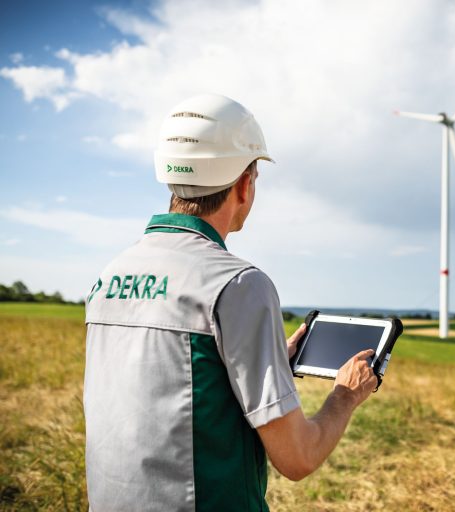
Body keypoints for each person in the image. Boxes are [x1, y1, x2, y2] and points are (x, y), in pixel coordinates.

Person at [83, 94, 379, 511]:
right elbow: (297, 458)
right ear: (244, 183)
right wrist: (346, 395)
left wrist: (268, 360)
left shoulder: (111, 274)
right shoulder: (238, 284)